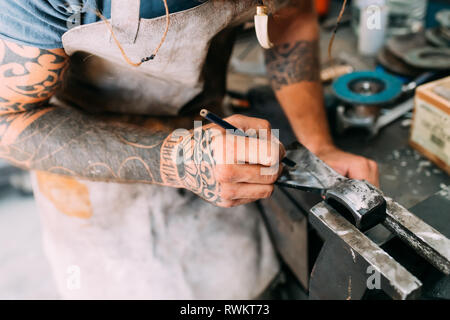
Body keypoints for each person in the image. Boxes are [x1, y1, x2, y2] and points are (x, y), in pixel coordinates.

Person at [0, 0, 378, 299]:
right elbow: (6, 121)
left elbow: (292, 16)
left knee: (241, 288)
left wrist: (319, 145)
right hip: (92, 177)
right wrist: (183, 162)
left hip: (219, 143)